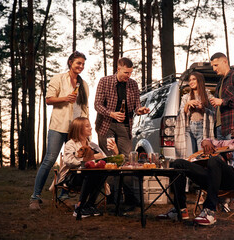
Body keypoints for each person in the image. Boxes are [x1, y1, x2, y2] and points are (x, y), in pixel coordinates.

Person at [157, 117, 234, 226]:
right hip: (215, 179)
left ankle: (209, 211)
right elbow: (209, 141)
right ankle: (179, 209)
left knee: (214, 161)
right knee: (179, 163)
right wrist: (206, 143)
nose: (232, 128)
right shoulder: (230, 143)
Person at [29, 51, 89, 210]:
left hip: (74, 130)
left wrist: (84, 128)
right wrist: (65, 98)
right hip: (58, 126)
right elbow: (49, 100)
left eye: (83, 64)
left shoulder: (83, 85)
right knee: (49, 160)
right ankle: (35, 197)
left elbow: (84, 108)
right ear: (70, 62)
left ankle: (63, 195)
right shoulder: (58, 79)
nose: (81, 66)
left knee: (71, 163)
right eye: (78, 63)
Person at [94, 57, 150, 208]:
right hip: (107, 126)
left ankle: (130, 199)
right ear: (118, 69)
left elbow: (136, 106)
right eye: (126, 72)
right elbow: (97, 105)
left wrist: (141, 110)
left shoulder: (133, 84)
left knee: (127, 161)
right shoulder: (104, 81)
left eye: (131, 73)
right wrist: (111, 113)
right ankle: (113, 198)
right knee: (112, 160)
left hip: (125, 127)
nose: (128, 76)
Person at [58, 117, 118, 218]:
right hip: (73, 177)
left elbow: (103, 160)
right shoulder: (71, 144)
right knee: (89, 173)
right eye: (87, 126)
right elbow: (69, 161)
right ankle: (79, 208)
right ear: (79, 129)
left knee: (101, 173)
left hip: (90, 176)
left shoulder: (92, 145)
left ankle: (89, 205)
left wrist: (115, 152)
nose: (91, 128)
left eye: (90, 125)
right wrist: (91, 158)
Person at [175, 72, 215, 159]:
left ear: (199, 81)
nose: (191, 82)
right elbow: (181, 114)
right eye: (189, 80)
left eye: (194, 79)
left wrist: (203, 108)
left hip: (202, 128)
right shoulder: (186, 97)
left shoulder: (207, 95)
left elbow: (214, 113)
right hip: (189, 128)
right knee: (190, 156)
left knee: (202, 156)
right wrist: (187, 104)